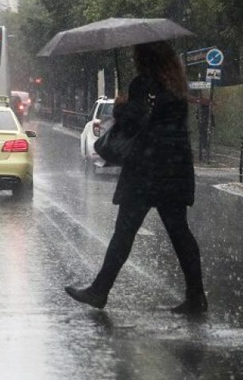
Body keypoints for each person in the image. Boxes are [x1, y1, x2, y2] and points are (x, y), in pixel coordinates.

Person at [65, 40, 207, 315]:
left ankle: (99, 291)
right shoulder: (177, 88)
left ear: (145, 60)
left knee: (124, 233)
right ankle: (196, 295)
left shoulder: (143, 85)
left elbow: (134, 123)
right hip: (174, 169)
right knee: (180, 233)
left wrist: (121, 107)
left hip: (146, 170)